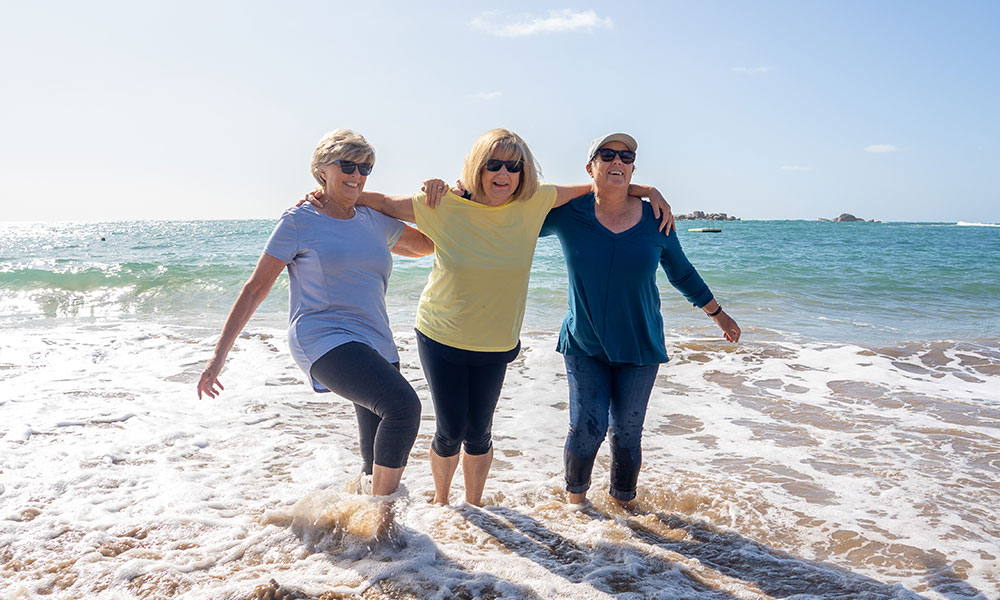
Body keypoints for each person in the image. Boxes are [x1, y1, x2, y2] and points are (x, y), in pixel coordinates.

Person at [310, 128, 674, 506]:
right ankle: (442, 504)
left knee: (480, 431)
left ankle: (474, 507)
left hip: (497, 340)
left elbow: (598, 187)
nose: (504, 174)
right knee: (450, 431)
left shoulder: (535, 201)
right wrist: (329, 194)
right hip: (440, 334)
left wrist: (647, 191)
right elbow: (382, 202)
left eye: (513, 166)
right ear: (477, 168)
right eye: (494, 165)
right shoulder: (442, 204)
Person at [196, 129, 434, 506]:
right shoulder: (298, 221)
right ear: (322, 170)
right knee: (403, 407)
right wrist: (217, 357)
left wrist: (434, 199)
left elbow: (429, 244)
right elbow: (255, 288)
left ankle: (361, 530)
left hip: (376, 340)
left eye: (365, 168)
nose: (357, 174)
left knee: (376, 460)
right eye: (348, 165)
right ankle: (383, 520)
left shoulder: (373, 219)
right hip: (323, 337)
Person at [540, 132, 741, 507]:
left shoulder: (655, 219)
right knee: (587, 427)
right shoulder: (570, 215)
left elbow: (681, 272)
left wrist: (718, 314)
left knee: (627, 433)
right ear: (591, 166)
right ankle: (575, 508)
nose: (618, 161)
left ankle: (624, 509)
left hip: (640, 344)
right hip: (584, 342)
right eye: (608, 155)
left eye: (627, 157)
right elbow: (519, 215)